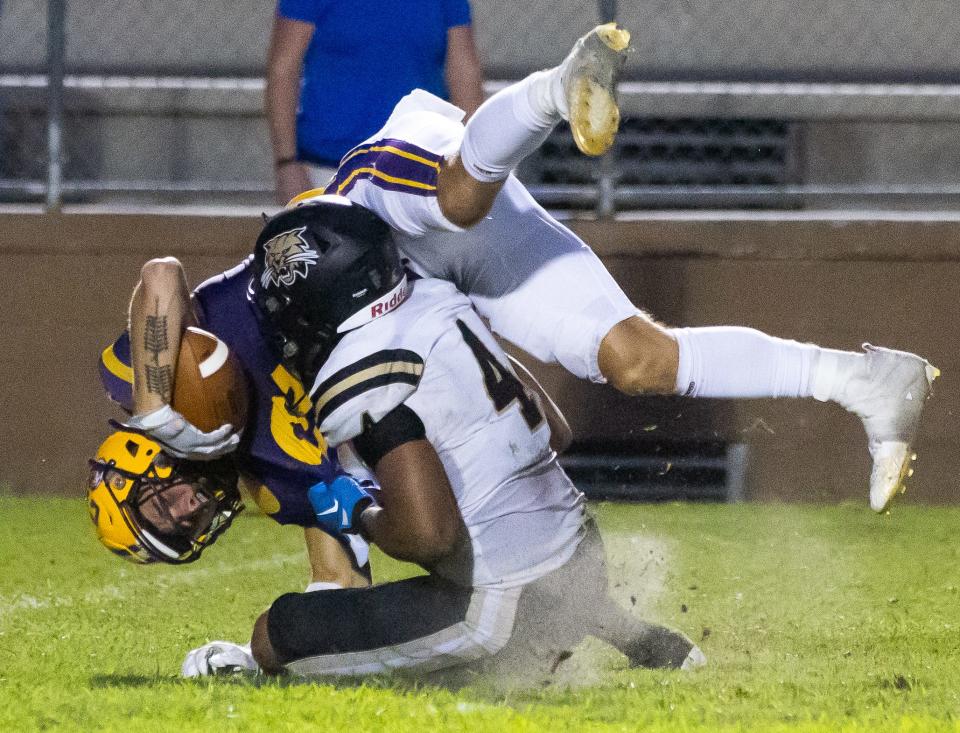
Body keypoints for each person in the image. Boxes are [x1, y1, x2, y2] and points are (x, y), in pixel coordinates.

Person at [268, 22, 938, 514]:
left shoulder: (280, 311)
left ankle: (554, 90)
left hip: (374, 189)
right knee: (637, 359)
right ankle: (867, 379)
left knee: (458, 200)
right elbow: (535, 423)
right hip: (417, 286)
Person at [187, 198, 705, 679]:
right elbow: (557, 431)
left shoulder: (356, 375)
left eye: (284, 306)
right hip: (580, 556)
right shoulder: (438, 299)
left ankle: (507, 658)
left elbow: (428, 537)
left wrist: (357, 514)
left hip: (501, 606)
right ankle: (639, 638)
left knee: (276, 632)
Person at [93, 256, 372, 586]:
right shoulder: (275, 484)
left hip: (339, 250)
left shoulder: (132, 378)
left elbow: (161, 275)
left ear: (144, 462)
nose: (190, 509)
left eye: (165, 506)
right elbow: (340, 580)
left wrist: (154, 412)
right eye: (186, 526)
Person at [266, 0, 485, 204]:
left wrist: (475, 162)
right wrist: (287, 163)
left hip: (418, 170)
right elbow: (283, 69)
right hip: (329, 169)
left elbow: (464, 72)